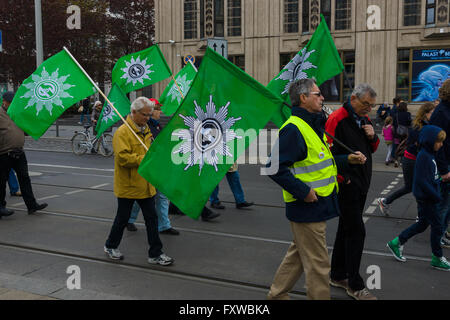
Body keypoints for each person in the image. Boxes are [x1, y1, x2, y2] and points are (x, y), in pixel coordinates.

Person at [266, 79, 367, 300]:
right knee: (320, 264)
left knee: (299, 256)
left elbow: (320, 163)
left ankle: (277, 295)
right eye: (318, 93)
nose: (323, 98)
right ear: (303, 98)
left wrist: (346, 160)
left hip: (316, 205)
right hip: (307, 206)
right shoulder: (294, 129)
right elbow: (273, 168)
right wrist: (305, 192)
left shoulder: (311, 126)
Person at [103, 97, 174, 266]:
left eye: (150, 114)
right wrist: (147, 159)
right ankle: (110, 246)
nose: (148, 118)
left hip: (146, 184)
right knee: (122, 218)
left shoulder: (146, 129)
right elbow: (123, 158)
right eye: (144, 115)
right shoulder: (122, 132)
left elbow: (151, 150)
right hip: (128, 185)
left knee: (152, 218)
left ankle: (155, 253)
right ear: (133, 112)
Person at [325, 83, 380, 300]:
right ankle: (355, 284)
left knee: (346, 229)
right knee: (357, 232)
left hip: (362, 183)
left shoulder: (364, 119)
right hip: (347, 185)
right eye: (366, 104)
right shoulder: (337, 118)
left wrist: (372, 135)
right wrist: (344, 179)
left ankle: (337, 274)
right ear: (354, 98)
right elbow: (326, 155)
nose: (369, 109)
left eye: (372, 106)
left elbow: (373, 148)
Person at [386, 126, 450, 271]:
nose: (441, 145)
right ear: (429, 141)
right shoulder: (424, 157)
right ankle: (437, 257)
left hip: (428, 197)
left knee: (422, 224)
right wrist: (436, 196)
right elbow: (421, 181)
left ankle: (397, 242)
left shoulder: (430, 155)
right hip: (427, 199)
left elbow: (430, 177)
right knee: (438, 227)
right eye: (439, 142)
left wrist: (439, 180)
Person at [126, 98, 180, 235]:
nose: (159, 112)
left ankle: (164, 225)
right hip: (148, 167)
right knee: (142, 198)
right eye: (156, 109)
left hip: (158, 166)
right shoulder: (143, 126)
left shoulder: (157, 125)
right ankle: (129, 219)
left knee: (161, 196)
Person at [377, 102, 435, 215]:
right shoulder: (418, 126)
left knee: (410, 187)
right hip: (411, 160)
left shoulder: (427, 125)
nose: (434, 114)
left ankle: (385, 201)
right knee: (419, 186)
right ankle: (421, 214)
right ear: (425, 113)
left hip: (415, 159)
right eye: (432, 112)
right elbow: (417, 144)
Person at [0, 91, 48, 218]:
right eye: (10, 102)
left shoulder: (17, 112)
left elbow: (25, 130)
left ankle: (32, 205)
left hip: (19, 152)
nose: (12, 104)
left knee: (25, 179)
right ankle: (0, 207)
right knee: (1, 181)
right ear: (4, 102)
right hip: (4, 153)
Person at [429, 79, 450, 249]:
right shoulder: (442, 112)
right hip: (445, 165)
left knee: (447, 204)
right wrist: (443, 170)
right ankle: (437, 238)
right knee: (443, 204)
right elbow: (438, 144)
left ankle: (442, 233)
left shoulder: (446, 110)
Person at [392, 101, 412, 167]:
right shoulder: (408, 114)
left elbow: (394, 124)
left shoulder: (396, 115)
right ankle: (402, 161)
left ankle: (396, 160)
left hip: (397, 133)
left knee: (396, 146)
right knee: (404, 146)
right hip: (405, 134)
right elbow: (409, 123)